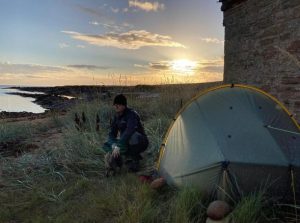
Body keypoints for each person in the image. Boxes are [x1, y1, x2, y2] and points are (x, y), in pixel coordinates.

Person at [103, 94, 149, 174]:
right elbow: (111, 134)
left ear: (124, 105)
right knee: (107, 143)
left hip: (141, 141)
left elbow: (129, 131)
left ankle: (135, 160)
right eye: (115, 104)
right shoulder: (116, 117)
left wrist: (119, 145)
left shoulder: (132, 114)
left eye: (119, 104)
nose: (116, 106)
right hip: (126, 141)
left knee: (132, 136)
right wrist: (114, 145)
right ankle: (119, 162)